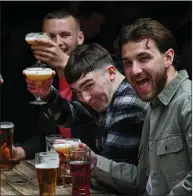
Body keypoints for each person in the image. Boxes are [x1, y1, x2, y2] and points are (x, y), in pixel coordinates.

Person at [81, 18, 191, 195]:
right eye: (127, 63)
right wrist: (93, 163)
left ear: (168, 58)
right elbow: (142, 181)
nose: (134, 70)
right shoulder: (153, 107)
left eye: (144, 58)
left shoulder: (188, 102)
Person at [25, 43, 149, 194]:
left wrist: (80, 166)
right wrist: (47, 94)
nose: (85, 98)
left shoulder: (128, 104)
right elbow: (71, 116)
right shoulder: (108, 93)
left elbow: (115, 180)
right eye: (78, 91)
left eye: (89, 85)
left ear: (111, 72)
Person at [12, 10, 100, 160]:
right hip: (62, 168)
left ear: (80, 38)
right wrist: (18, 152)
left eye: (65, 35)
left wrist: (66, 63)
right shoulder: (48, 77)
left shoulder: (98, 69)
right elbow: (45, 136)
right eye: (51, 37)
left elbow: (93, 128)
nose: (58, 42)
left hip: (94, 169)